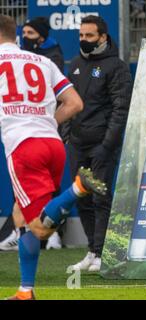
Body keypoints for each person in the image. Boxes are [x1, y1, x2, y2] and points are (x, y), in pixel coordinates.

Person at [0, 14, 107, 300]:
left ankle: (78, 187)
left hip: (24, 147)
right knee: (20, 215)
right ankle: (25, 291)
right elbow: (75, 103)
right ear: (16, 36)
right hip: (53, 143)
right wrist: (48, 122)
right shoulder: (42, 61)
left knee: (38, 227)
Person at [64, 16, 132, 272]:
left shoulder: (117, 66)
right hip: (78, 144)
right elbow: (66, 102)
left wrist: (107, 144)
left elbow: (120, 108)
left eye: (89, 36)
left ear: (102, 37)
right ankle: (91, 251)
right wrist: (67, 134)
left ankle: (103, 253)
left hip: (103, 145)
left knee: (101, 199)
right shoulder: (76, 65)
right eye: (81, 35)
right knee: (81, 198)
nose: (84, 40)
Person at [22, 16, 66, 250]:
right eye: (24, 33)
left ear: (41, 35)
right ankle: (24, 231)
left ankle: (53, 234)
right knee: (30, 187)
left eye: (30, 33)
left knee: (48, 187)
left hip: (42, 129)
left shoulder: (51, 59)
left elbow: (70, 100)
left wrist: (52, 122)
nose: (25, 38)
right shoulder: (27, 57)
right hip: (37, 130)